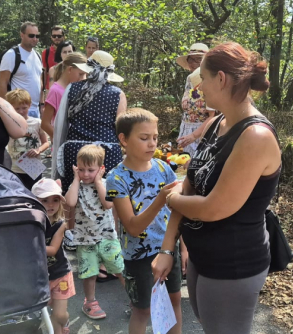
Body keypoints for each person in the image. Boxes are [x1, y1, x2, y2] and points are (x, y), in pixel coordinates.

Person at [153, 42, 280, 334]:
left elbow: (212, 207)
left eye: (203, 81)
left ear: (220, 79)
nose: (199, 90)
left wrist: (169, 199)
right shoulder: (217, 122)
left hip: (231, 264)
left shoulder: (255, 137)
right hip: (201, 256)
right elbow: (190, 185)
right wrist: (168, 248)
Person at [106, 108, 185, 334]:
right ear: (124, 139)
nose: (152, 144)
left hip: (169, 248)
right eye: (144, 138)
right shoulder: (116, 178)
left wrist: (184, 248)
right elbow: (132, 226)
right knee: (142, 310)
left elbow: (178, 212)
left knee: (174, 300)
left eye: (155, 137)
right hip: (138, 255)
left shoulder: (163, 169)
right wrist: (160, 199)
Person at [50, 50, 127, 190]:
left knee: (73, 193)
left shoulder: (72, 88)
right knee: (107, 197)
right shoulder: (117, 94)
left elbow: (61, 124)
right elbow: (120, 129)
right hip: (106, 153)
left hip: (76, 152)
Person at [65, 145, 125, 320]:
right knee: (89, 273)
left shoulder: (106, 184)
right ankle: (90, 302)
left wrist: (98, 181)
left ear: (101, 169)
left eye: (90, 170)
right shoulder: (77, 186)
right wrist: (75, 180)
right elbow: (70, 202)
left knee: (120, 269)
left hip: (107, 237)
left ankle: (135, 299)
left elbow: (108, 204)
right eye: (81, 169)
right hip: (85, 239)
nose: (85, 174)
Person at [32, 179, 75, 334]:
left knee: (59, 315)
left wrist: (26, 247)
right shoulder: (30, 223)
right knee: (50, 315)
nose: (51, 205)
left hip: (60, 273)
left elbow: (53, 249)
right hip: (39, 276)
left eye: (55, 200)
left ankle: (64, 320)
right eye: (44, 200)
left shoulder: (60, 224)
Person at [175, 43, 216, 156]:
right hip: (185, 131)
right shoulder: (189, 80)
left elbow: (213, 116)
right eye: (190, 59)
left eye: (198, 60)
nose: (193, 63)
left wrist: (194, 136)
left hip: (202, 134)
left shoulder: (210, 82)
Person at [0, 22, 44, 118]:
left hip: (35, 111)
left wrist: (42, 105)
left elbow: (40, 82)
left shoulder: (38, 56)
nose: (35, 39)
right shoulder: (12, 54)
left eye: (37, 36)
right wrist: (5, 109)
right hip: (18, 111)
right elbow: (2, 83)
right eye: (31, 35)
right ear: (22, 35)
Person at [5, 89, 50, 189]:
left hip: (34, 167)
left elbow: (46, 143)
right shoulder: (8, 124)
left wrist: (38, 150)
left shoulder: (37, 123)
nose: (21, 111)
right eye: (17, 109)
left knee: (35, 193)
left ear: (29, 105)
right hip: (15, 168)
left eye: (24, 108)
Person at [40, 52, 86, 139]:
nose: (83, 78)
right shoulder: (55, 91)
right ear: (70, 69)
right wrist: (62, 141)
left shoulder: (76, 88)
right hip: (64, 147)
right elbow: (45, 124)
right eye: (81, 74)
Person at [41, 25, 67, 91]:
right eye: (54, 36)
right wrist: (42, 90)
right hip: (50, 89)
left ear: (63, 37)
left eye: (59, 36)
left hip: (65, 88)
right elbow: (44, 73)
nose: (56, 38)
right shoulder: (46, 52)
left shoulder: (69, 52)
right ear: (51, 37)